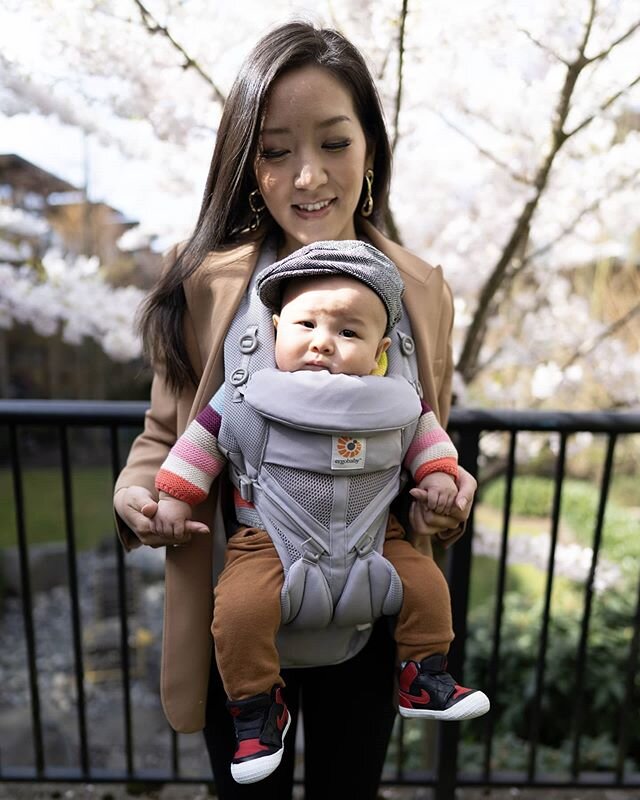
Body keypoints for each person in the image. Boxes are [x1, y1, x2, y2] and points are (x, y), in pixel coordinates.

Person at [113, 20, 479, 800]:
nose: (307, 176)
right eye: (276, 150)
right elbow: (163, 434)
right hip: (240, 604)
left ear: (371, 147)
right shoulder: (206, 283)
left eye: (334, 143)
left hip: (372, 608)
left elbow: (424, 427)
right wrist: (138, 495)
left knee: (351, 788)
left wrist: (447, 496)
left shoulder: (418, 288)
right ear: (248, 163)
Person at [151, 240, 489, 784]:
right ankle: (257, 706)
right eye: (305, 325)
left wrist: (441, 481)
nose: (322, 344)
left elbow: (429, 443)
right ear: (276, 328)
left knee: (427, 586)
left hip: (377, 536)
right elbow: (198, 445)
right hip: (269, 540)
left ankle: (423, 672)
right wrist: (172, 498)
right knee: (238, 610)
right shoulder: (244, 395)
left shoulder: (397, 399)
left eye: (348, 332)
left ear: (381, 347)